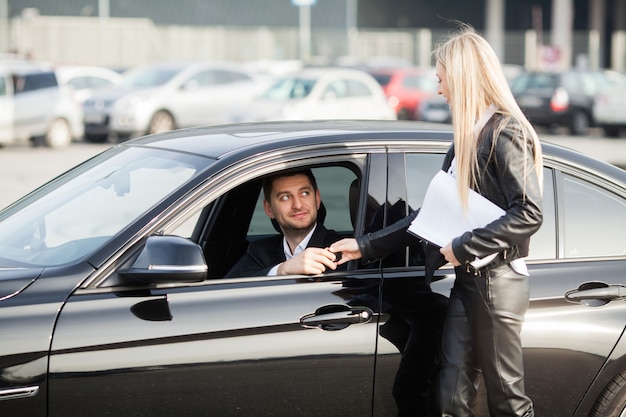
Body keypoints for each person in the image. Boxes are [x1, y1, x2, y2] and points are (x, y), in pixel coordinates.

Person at [330, 24, 543, 417]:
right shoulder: (465, 140)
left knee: (507, 402)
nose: (439, 89)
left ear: (463, 79)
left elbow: (529, 213)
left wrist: (463, 246)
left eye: (442, 79)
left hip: (499, 283)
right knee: (449, 395)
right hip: (469, 283)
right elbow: (428, 217)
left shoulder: (506, 133)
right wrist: (363, 245)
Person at [227, 169, 341, 277]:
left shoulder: (341, 250)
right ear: (269, 208)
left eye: (305, 193)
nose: (298, 205)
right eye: (285, 197)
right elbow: (244, 289)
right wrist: (281, 270)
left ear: (317, 199)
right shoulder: (259, 252)